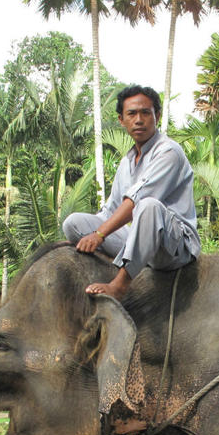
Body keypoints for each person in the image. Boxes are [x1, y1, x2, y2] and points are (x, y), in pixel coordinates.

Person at [62, 85, 200, 300]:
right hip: (140, 239)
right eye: (132, 114)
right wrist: (91, 232)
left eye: (146, 112)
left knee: (148, 205)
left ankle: (120, 284)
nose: (139, 120)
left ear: (157, 116)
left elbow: (136, 202)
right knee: (73, 223)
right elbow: (111, 211)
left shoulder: (169, 151)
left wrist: (99, 235)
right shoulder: (127, 162)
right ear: (121, 120)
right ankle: (128, 261)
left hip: (173, 246)